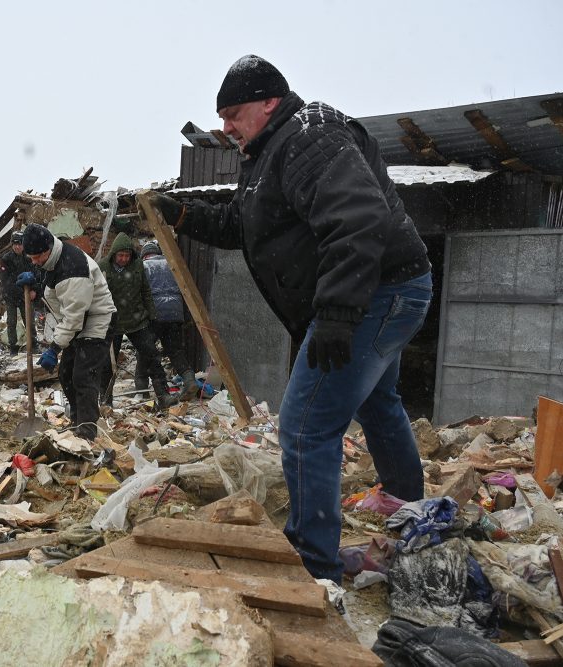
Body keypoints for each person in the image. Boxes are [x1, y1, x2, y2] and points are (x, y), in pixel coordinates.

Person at [153, 55, 432, 583]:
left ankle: (311, 565)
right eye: (222, 117)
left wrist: (336, 314)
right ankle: (404, 504)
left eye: (234, 113)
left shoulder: (310, 134)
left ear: (270, 102)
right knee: (377, 400)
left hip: (380, 292)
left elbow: (358, 218)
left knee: (305, 426)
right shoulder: (265, 154)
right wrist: (183, 213)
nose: (226, 126)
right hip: (388, 290)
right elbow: (244, 224)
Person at [18, 224, 116, 441]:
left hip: (96, 321)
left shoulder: (74, 270)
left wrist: (54, 348)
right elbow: (52, 284)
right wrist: (36, 279)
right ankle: (77, 419)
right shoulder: (53, 258)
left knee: (83, 375)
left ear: (47, 249)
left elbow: (73, 317)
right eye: (30, 258)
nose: (33, 262)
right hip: (79, 321)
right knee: (65, 373)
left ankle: (87, 429)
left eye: (36, 258)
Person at [97, 233, 177, 409]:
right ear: (114, 254)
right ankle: (105, 400)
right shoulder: (103, 267)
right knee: (107, 364)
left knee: (152, 356)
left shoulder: (137, 266)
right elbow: (95, 295)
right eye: (120, 255)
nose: (124, 259)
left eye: (127, 255)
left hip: (137, 320)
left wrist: (152, 314)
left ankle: (163, 395)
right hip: (112, 322)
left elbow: (146, 292)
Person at [138, 241, 199, 402]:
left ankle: (141, 390)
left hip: (154, 314)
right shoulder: (171, 264)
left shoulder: (142, 266)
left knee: (146, 351)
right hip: (174, 312)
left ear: (144, 254)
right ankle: (189, 380)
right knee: (175, 350)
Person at [0, 231, 39, 355]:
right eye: (15, 244)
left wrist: (34, 290)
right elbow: (6, 281)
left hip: (26, 296)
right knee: (11, 322)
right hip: (11, 295)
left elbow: (36, 276)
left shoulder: (28, 258)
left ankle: (33, 344)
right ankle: (13, 347)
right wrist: (21, 291)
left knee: (29, 321)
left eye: (20, 244)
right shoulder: (6, 259)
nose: (17, 247)